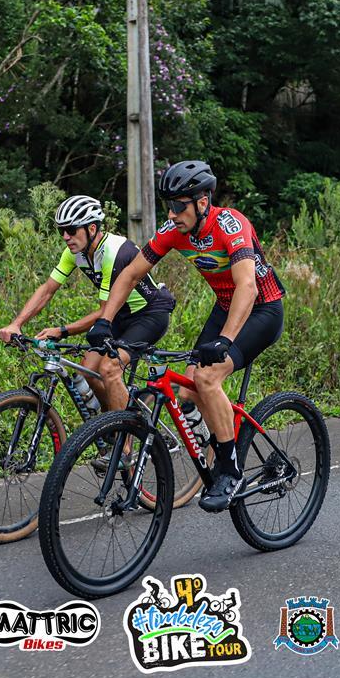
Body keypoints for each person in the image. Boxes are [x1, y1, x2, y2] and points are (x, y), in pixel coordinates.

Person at [87, 161, 285, 512]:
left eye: (179, 206)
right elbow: (131, 274)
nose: (172, 213)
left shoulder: (231, 225)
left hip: (262, 309)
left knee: (208, 378)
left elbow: (247, 286)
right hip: (226, 308)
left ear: (202, 202)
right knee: (188, 388)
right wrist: (105, 320)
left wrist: (225, 341)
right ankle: (220, 443)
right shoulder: (175, 230)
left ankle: (231, 472)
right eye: (169, 205)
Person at [0, 194, 175, 414]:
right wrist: (16, 324)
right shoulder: (76, 253)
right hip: (120, 314)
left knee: (109, 369)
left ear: (92, 229)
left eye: (71, 230)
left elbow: (104, 311)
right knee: (87, 370)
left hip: (149, 315)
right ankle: (109, 423)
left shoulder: (114, 252)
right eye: (61, 231)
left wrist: (63, 330)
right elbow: (47, 290)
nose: (66, 237)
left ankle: (126, 434)